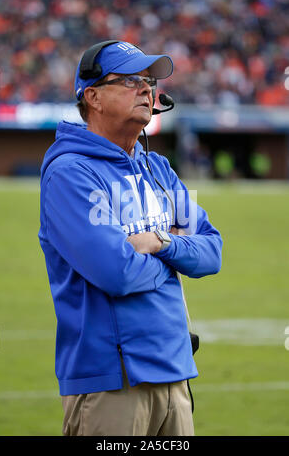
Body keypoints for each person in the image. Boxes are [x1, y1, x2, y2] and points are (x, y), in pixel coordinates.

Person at [38, 40, 223, 436]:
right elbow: (116, 272)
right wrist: (174, 265)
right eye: (130, 80)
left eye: (150, 81)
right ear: (93, 97)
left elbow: (212, 252)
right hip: (112, 382)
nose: (147, 89)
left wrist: (162, 243)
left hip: (175, 374)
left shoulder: (158, 168)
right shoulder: (70, 173)